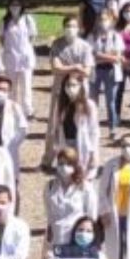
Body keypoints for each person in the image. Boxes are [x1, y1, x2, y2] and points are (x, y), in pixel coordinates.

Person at [42, 16, 96, 168]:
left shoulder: (85, 46)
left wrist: (70, 69)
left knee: (81, 122)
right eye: (67, 26)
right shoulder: (57, 44)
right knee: (54, 122)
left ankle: (82, 158)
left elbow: (86, 71)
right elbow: (55, 68)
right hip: (60, 88)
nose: (70, 29)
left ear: (78, 28)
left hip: (80, 90)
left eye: (73, 26)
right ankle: (49, 157)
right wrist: (76, 67)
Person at [51, 70, 101, 177]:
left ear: (81, 86)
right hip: (66, 145)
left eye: (74, 85)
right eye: (67, 85)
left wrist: (93, 153)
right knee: (66, 176)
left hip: (83, 145)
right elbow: (56, 129)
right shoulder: (61, 105)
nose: (70, 88)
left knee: (82, 176)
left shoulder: (89, 105)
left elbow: (94, 131)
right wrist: (56, 149)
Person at [0, 0, 38, 119]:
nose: (15, 8)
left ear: (22, 6)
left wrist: (25, 49)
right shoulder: (4, 21)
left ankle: (28, 110)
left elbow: (32, 36)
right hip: (11, 57)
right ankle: (12, 109)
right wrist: (9, 49)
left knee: (26, 85)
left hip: (25, 57)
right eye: (12, 5)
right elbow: (1, 37)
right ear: (8, 7)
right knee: (12, 86)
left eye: (17, 5)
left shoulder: (28, 19)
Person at [91, 9, 126, 139]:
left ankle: (112, 128)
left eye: (105, 19)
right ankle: (93, 126)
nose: (103, 22)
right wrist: (109, 56)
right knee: (93, 101)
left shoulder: (116, 36)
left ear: (111, 21)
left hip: (111, 71)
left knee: (110, 101)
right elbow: (91, 55)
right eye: (101, 19)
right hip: (96, 70)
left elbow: (117, 57)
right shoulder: (93, 36)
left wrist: (100, 55)